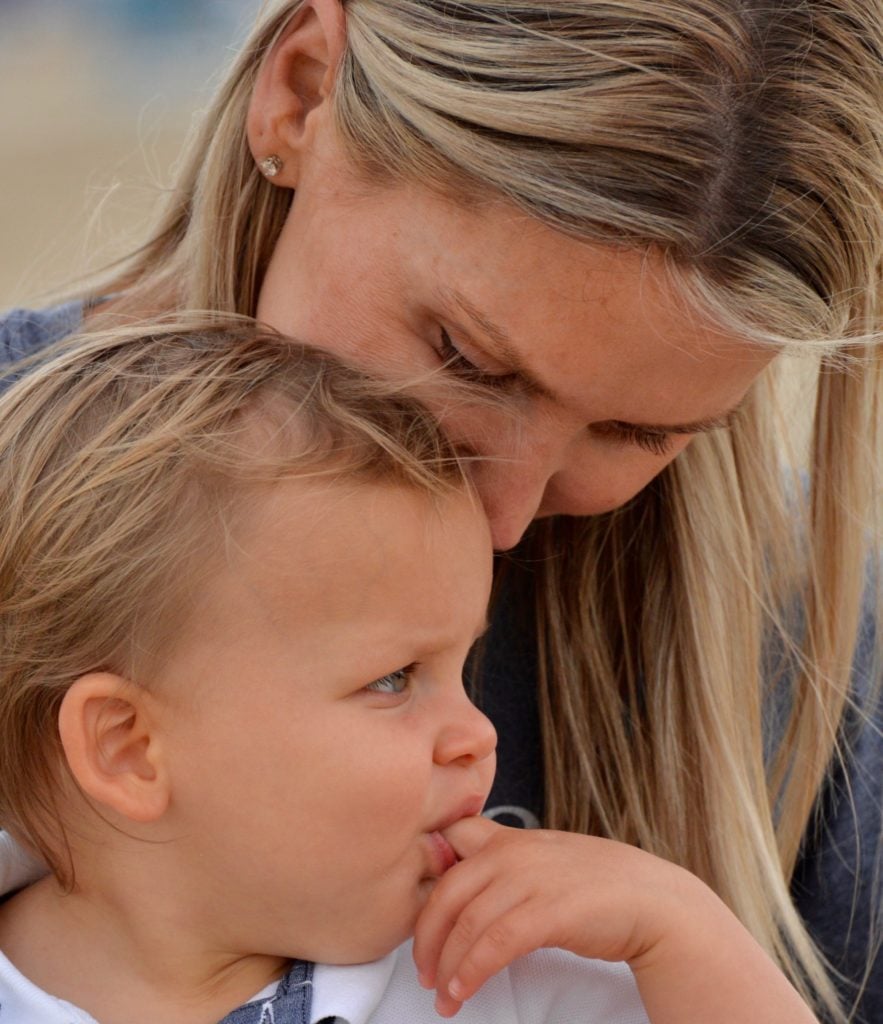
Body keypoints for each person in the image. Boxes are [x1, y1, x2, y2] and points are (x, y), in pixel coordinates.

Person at [1, 1, 880, 1020]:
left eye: (639, 434)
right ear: (299, 93)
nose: (502, 519)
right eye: (468, 357)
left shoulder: (812, 640)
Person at [0, 318, 822, 1024]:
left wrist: (682, 930)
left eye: (463, 667)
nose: (476, 733)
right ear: (129, 748)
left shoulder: (497, 978)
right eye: (394, 679)